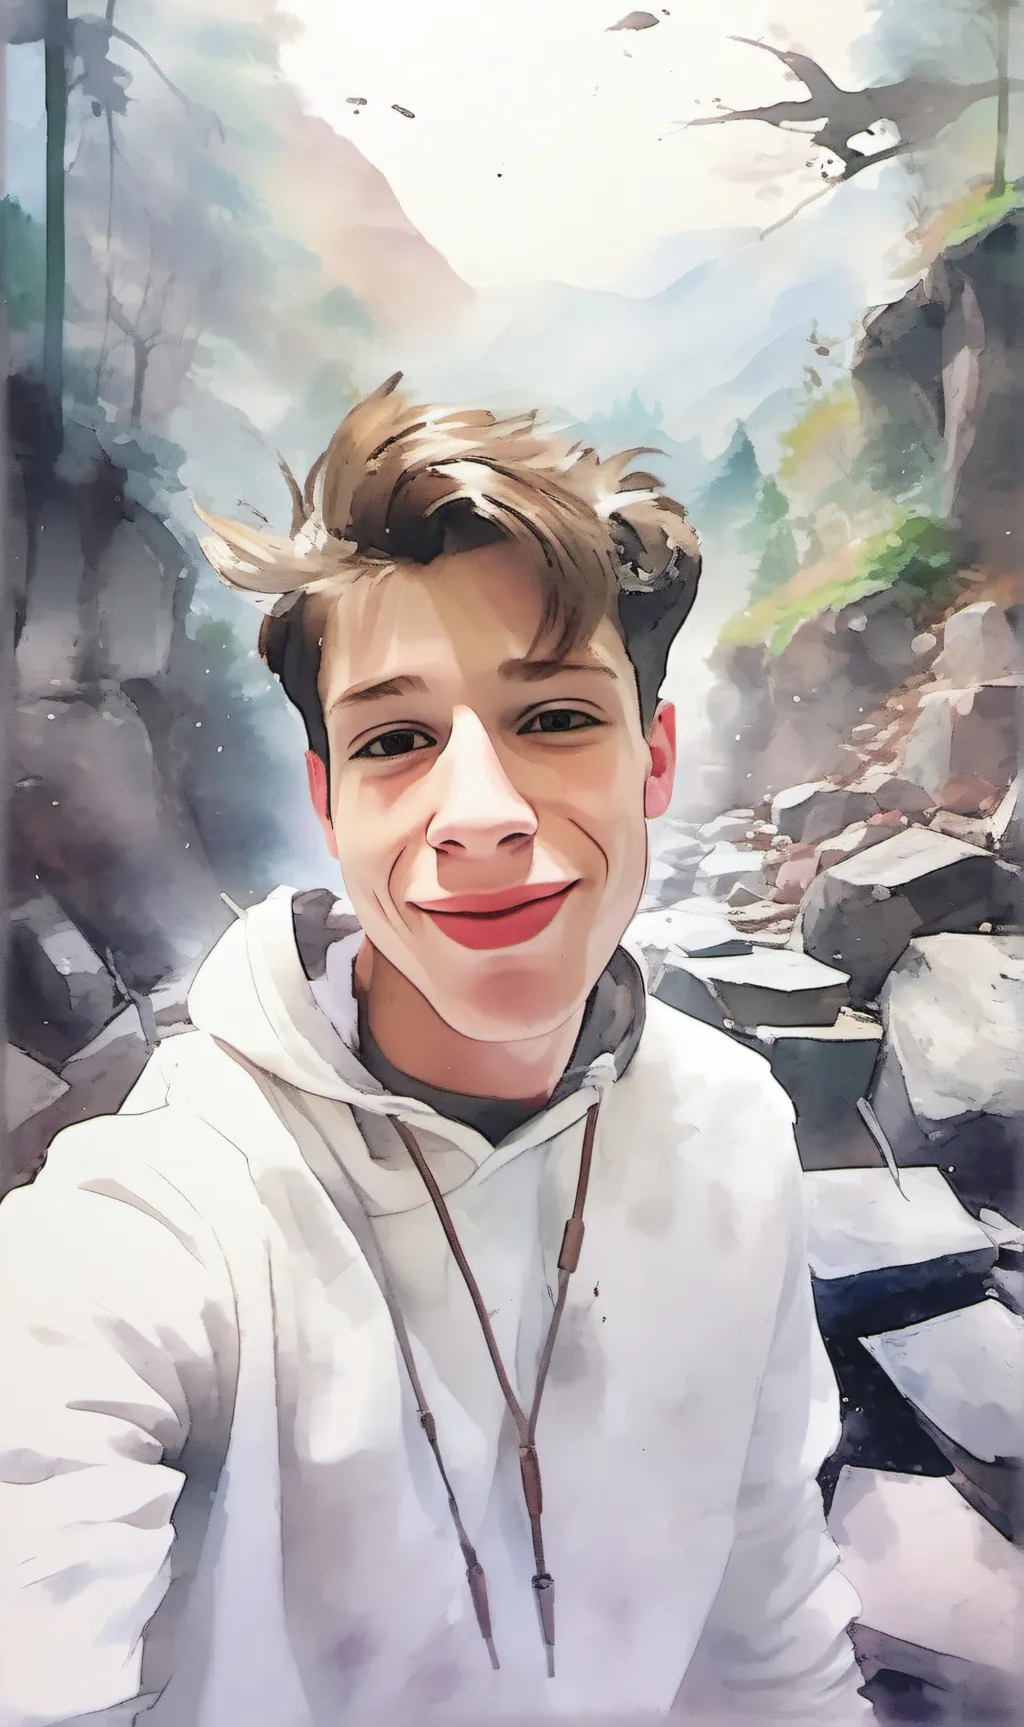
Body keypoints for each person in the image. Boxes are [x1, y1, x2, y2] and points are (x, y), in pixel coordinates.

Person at [0, 375, 873, 1726]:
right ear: (328, 799)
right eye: (398, 739)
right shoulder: (172, 1203)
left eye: (554, 717)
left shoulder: (736, 1127)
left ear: (653, 760)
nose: (477, 813)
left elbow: (771, 1634)